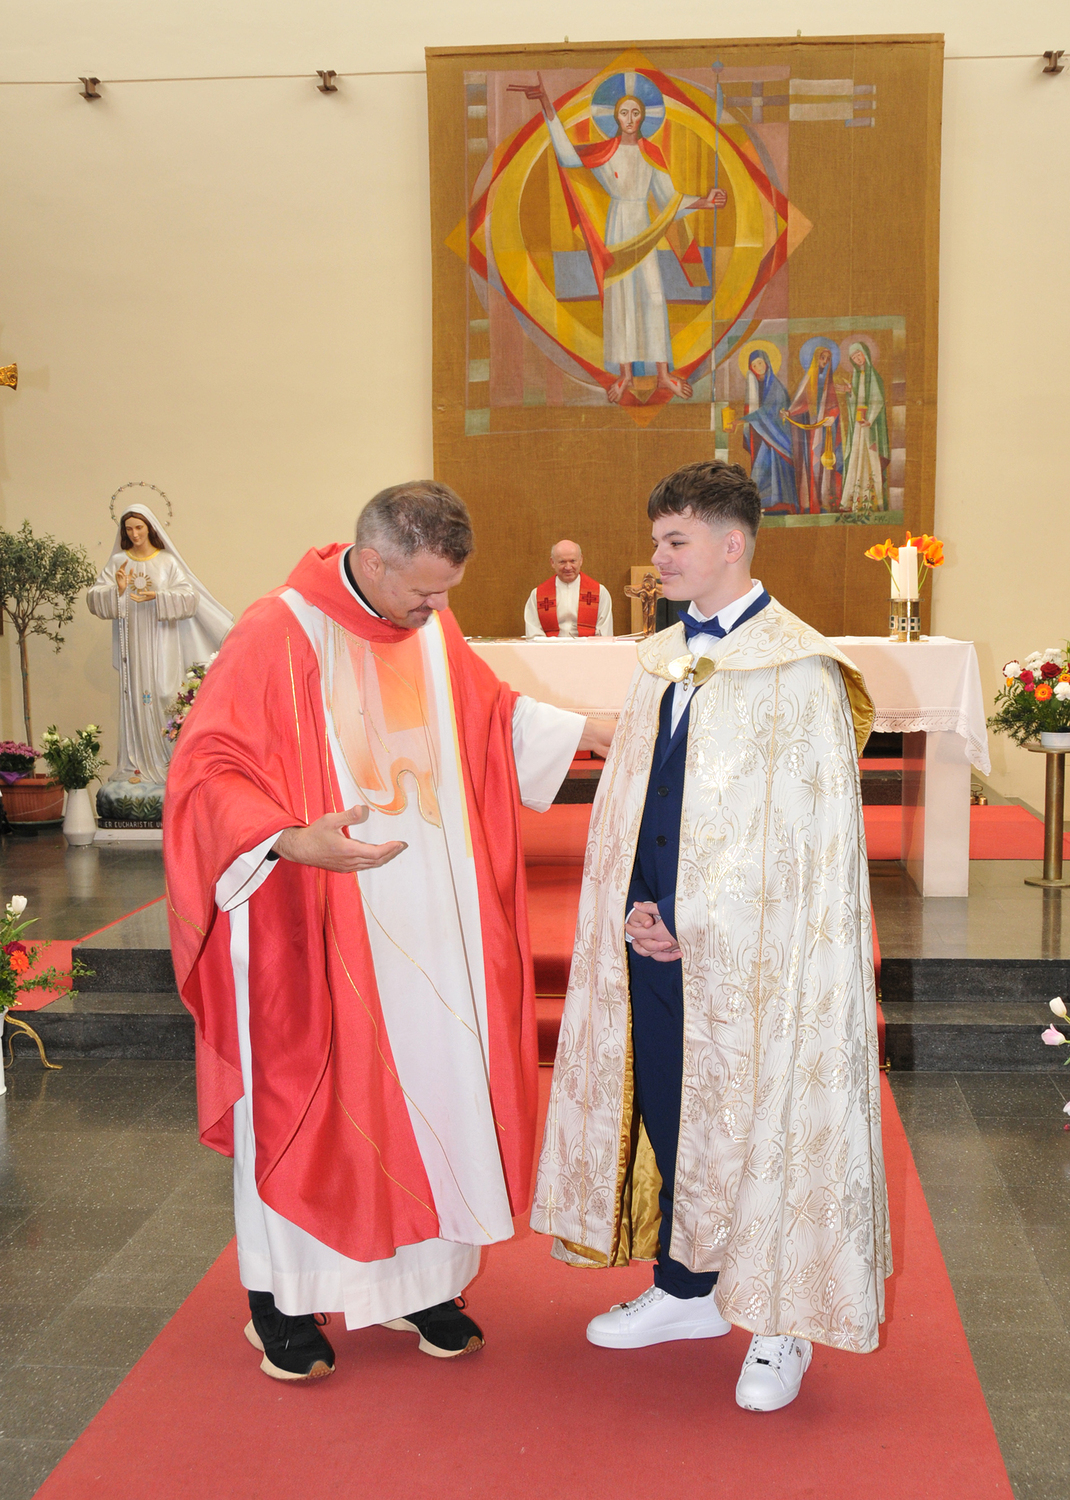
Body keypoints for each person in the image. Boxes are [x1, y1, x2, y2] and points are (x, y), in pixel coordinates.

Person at [164, 481, 614, 1383]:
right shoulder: (277, 631)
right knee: (308, 1101)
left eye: (446, 591)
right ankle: (282, 1299)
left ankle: (421, 1284)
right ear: (371, 563)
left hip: (429, 919)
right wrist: (290, 839)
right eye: (425, 590)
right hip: (314, 914)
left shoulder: (427, 628)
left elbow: (489, 717)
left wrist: (604, 730)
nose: (439, 609)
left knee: (434, 1091)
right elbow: (205, 771)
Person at [532, 460, 889, 1413]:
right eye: (658, 540)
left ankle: (780, 1321)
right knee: (668, 1102)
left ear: (733, 544)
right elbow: (635, 803)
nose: (657, 558)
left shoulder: (799, 668)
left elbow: (804, 841)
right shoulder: (661, 660)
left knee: (763, 1114)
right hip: (654, 935)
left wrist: (701, 923)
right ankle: (687, 1288)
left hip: (759, 959)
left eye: (674, 540)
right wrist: (637, 907)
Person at [510, 76, 725, 404]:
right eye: (624, 112)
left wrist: (705, 202)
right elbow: (567, 156)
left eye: (635, 112)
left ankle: (663, 374)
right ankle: (625, 375)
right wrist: (546, 105)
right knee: (621, 298)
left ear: (643, 117)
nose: (629, 118)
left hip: (644, 230)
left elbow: (669, 200)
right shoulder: (606, 153)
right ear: (615, 117)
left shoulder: (651, 153)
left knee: (653, 295)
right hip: (617, 228)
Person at [87, 504, 232, 790]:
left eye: (139, 527)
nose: (135, 534)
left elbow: (189, 598)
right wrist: (118, 590)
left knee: (165, 695)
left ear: (150, 528)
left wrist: (158, 596)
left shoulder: (167, 562)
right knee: (135, 699)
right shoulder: (118, 561)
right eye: (129, 529)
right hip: (133, 644)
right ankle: (137, 766)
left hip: (164, 643)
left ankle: (168, 765)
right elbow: (94, 598)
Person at [734, 351, 798, 512]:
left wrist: (741, 421)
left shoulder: (775, 386)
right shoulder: (755, 385)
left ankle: (777, 503)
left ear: (767, 363)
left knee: (766, 467)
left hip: (777, 435)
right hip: (764, 434)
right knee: (762, 467)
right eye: (754, 365)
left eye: (760, 363)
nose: (758, 367)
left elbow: (767, 412)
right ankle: (762, 504)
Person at [787, 343, 843, 513]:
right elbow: (800, 403)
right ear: (815, 359)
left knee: (825, 464)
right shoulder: (808, 379)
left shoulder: (831, 381)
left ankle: (826, 500)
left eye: (827, 359)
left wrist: (832, 416)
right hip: (811, 430)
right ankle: (812, 501)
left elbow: (838, 405)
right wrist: (789, 412)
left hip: (827, 430)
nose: (824, 362)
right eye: (822, 358)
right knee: (812, 464)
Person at [524, 540, 614, 638]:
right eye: (562, 562)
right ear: (552, 562)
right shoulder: (538, 594)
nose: (568, 567)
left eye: (572, 561)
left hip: (587, 647)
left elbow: (604, 634)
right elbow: (534, 633)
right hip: (551, 647)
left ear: (581, 560)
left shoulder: (599, 592)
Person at [840, 342, 890, 513]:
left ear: (865, 355)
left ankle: (874, 501)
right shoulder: (856, 376)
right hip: (859, 424)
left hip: (870, 425)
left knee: (871, 457)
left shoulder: (873, 376)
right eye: (854, 357)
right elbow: (855, 402)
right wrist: (850, 392)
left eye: (858, 355)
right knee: (856, 456)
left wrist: (870, 419)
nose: (857, 359)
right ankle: (853, 500)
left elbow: (878, 400)